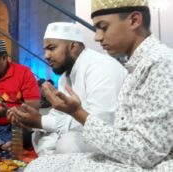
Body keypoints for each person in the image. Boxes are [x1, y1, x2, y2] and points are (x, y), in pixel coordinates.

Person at [25, 0, 173, 171]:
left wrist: (77, 113)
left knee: (47, 162)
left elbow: (145, 154)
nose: (97, 37)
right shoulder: (139, 65)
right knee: (41, 163)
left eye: (103, 27)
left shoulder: (160, 63)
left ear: (134, 20)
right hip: (126, 153)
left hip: (153, 165)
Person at [8, 22, 126, 155]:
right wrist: (34, 120)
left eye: (52, 48)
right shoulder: (64, 77)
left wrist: (40, 121)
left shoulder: (100, 67)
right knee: (39, 135)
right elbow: (57, 116)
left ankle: (55, 161)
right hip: (80, 131)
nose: (46, 55)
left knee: (68, 144)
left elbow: (102, 125)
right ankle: (54, 161)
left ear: (73, 47)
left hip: (113, 138)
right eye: (45, 50)